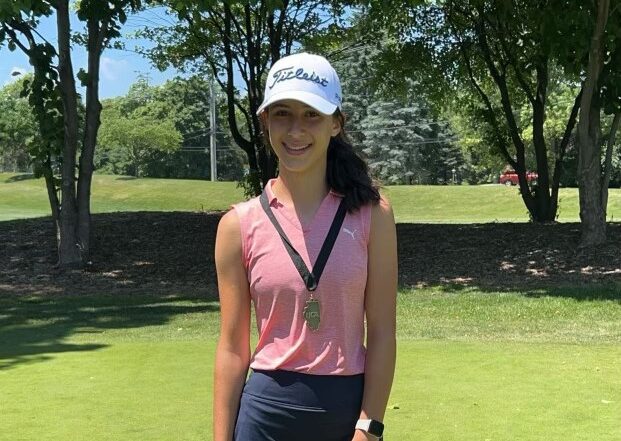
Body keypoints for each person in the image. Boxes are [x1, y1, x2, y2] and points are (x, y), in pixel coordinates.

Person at [213, 52, 397, 441]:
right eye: (282, 113)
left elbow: (382, 332)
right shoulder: (237, 225)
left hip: (347, 418)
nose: (296, 130)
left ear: (336, 123)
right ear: (265, 121)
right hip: (264, 418)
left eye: (312, 114)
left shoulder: (372, 214)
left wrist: (370, 427)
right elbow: (232, 349)